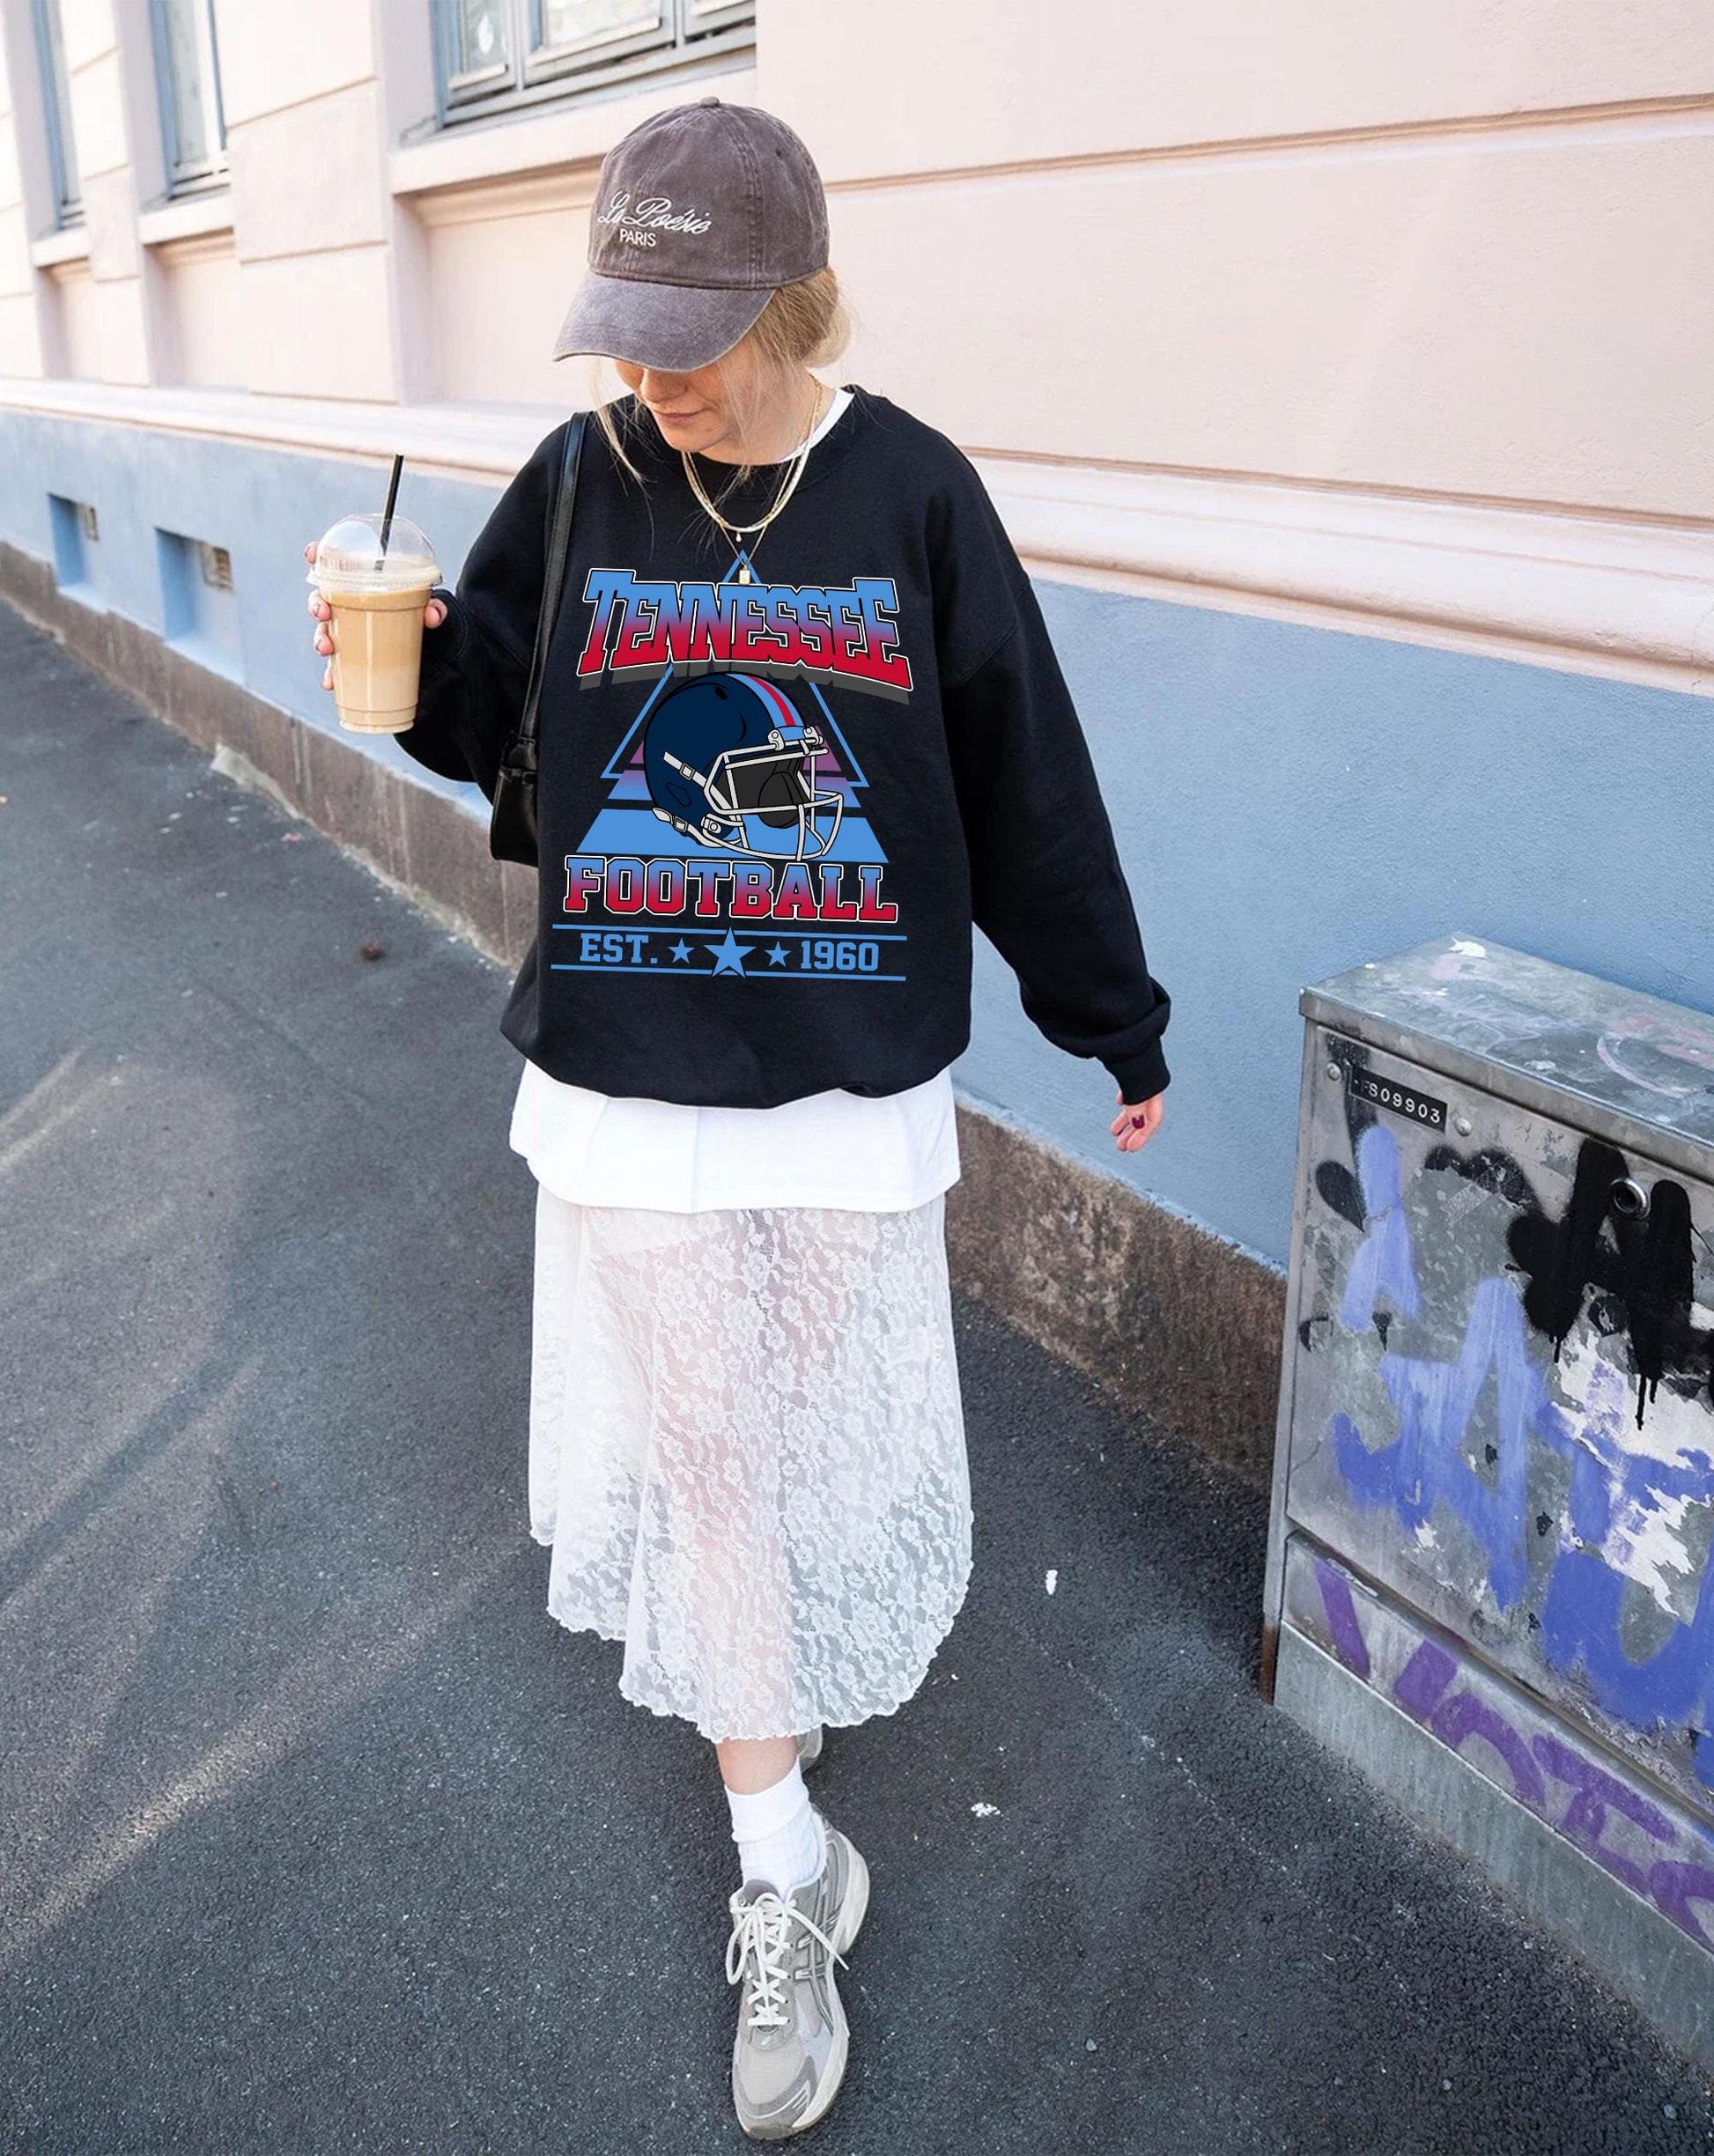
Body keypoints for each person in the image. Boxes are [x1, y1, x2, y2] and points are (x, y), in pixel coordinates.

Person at [306, 96, 1169, 2143]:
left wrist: (1114, 1024)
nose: (648, 376)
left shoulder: (912, 492)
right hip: (633, 1081)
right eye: (622, 334)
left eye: (682, 339)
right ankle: (783, 1869)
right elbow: (483, 716)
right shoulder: (579, 478)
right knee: (709, 1461)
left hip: (847, 1081)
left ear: (792, 299)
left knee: (771, 1447)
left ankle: (762, 1717)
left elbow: (1025, 777)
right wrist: (402, 645)